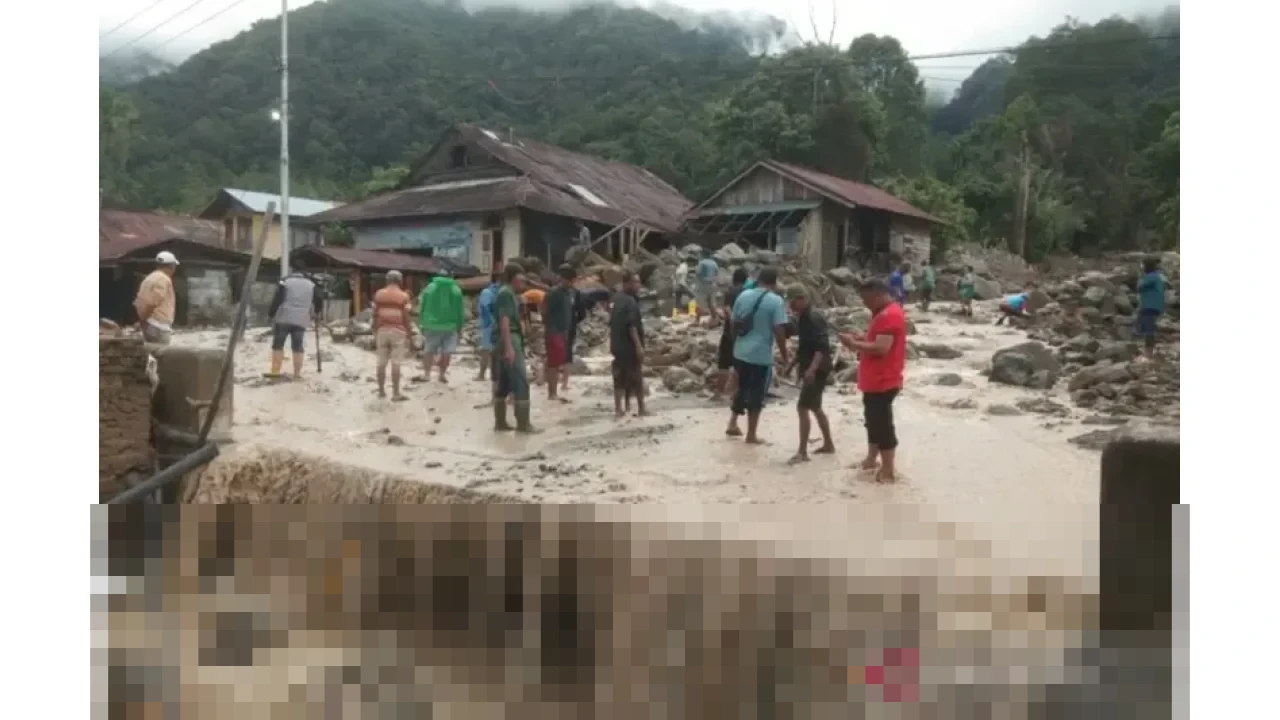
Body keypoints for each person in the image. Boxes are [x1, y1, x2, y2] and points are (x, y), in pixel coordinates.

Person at [838, 278, 907, 483]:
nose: (864, 304)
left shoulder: (890, 315)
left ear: (878, 294)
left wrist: (853, 344)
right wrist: (861, 337)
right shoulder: (883, 313)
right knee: (872, 421)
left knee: (883, 425)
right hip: (874, 379)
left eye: (866, 299)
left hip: (883, 380)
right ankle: (871, 459)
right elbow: (877, 340)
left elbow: (881, 348)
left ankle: (888, 470)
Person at [726, 266, 790, 444]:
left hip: (740, 352)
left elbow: (732, 323)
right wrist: (785, 354)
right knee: (756, 393)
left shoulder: (744, 295)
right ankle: (751, 435)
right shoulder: (775, 301)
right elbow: (779, 330)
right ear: (774, 282)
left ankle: (732, 423)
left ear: (758, 279)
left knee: (741, 387)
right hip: (760, 356)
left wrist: (737, 344)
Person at [784, 285, 835, 464]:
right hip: (815, 366)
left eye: (792, 301)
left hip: (817, 368)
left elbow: (822, 347)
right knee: (815, 406)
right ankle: (828, 444)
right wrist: (791, 365)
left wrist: (811, 370)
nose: (790, 306)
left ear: (800, 299)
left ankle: (802, 452)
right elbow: (805, 347)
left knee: (802, 407)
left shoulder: (812, 317)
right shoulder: (804, 317)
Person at [493, 263, 538, 433]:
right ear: (514, 278)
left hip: (506, 338)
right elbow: (504, 321)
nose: (524, 282)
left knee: (504, 382)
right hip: (509, 337)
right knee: (520, 380)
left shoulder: (509, 293)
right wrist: (509, 347)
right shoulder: (505, 294)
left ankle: (500, 422)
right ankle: (523, 424)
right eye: (521, 279)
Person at [267, 269, 320, 379]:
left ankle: (275, 372)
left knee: (278, 345)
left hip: (283, 318)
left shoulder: (285, 282)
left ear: (292, 271)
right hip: (301, 320)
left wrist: (271, 314)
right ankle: (297, 374)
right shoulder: (311, 285)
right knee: (297, 346)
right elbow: (319, 300)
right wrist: (317, 313)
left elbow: (277, 299)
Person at [610, 271, 647, 418]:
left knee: (619, 377)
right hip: (629, 347)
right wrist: (639, 347)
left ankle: (620, 409)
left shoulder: (616, 299)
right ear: (626, 283)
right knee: (636, 377)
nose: (637, 285)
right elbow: (632, 326)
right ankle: (641, 409)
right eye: (635, 282)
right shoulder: (631, 301)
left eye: (638, 282)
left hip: (617, 346)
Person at [372, 271, 412, 401]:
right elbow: (406, 316)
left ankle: (381, 392)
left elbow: (375, 314)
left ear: (387, 280)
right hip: (398, 331)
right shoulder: (404, 296)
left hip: (382, 330)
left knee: (381, 362)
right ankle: (395, 393)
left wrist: (374, 329)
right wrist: (409, 332)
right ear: (400, 281)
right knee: (396, 363)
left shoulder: (379, 294)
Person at [418, 272, 465, 383]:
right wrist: (460, 327)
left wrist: (421, 322)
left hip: (431, 325)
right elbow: (460, 311)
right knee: (447, 351)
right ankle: (442, 375)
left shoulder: (429, 288)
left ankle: (427, 375)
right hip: (450, 326)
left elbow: (422, 305)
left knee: (429, 350)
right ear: (451, 277)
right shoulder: (456, 290)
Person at [541, 264, 577, 402]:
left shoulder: (569, 293)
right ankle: (552, 393)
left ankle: (552, 390)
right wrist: (549, 325)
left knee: (557, 363)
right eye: (570, 281)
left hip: (563, 332)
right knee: (553, 364)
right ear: (563, 279)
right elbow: (543, 309)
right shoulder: (554, 292)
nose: (572, 283)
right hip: (554, 331)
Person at [714, 268, 749, 401]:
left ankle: (719, 393)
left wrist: (731, 322)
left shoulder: (730, 291)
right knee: (740, 363)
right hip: (742, 333)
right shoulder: (747, 293)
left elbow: (727, 311)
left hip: (729, 332)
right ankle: (737, 392)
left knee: (723, 363)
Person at [134, 251, 180, 347]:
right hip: (158, 326)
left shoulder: (148, 278)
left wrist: (142, 320)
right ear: (171, 266)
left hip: (150, 324)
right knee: (163, 357)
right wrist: (143, 320)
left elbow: (139, 301)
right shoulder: (163, 279)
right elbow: (152, 302)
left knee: (151, 356)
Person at [1136, 256, 1167, 360]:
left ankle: (1148, 354)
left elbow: (1139, 286)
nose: (1141, 267)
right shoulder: (1156, 276)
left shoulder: (1151, 277)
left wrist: (1140, 276)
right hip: (1152, 305)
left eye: (1142, 265)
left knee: (1148, 329)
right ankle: (1149, 350)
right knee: (1142, 326)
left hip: (1149, 305)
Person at [475, 273, 500, 382]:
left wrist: (491, 322)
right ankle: (492, 375)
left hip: (488, 325)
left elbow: (485, 308)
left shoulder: (487, 292)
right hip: (496, 324)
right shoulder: (500, 292)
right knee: (493, 351)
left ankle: (482, 375)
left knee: (486, 350)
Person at [694, 250, 719, 326]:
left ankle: (697, 320)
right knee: (712, 303)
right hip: (712, 284)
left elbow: (698, 273)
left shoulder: (702, 262)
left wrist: (700, 281)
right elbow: (716, 273)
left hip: (703, 284)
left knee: (700, 303)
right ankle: (715, 319)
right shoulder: (714, 263)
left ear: (702, 254)